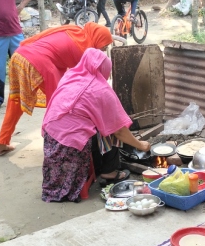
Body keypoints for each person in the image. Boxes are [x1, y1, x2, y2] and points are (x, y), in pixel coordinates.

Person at [41, 48, 150, 202]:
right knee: (111, 127)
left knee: (99, 123)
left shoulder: (71, 76)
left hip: (51, 140)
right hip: (72, 149)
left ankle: (98, 167)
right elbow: (119, 131)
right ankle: (109, 171)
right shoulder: (100, 90)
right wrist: (141, 145)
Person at [0, 23, 113, 157]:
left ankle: (1, 142)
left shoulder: (76, 31)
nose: (102, 51)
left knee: (16, 102)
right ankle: (56, 148)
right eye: (104, 46)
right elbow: (87, 83)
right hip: (39, 61)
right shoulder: (84, 49)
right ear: (98, 38)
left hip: (19, 56)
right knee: (59, 108)